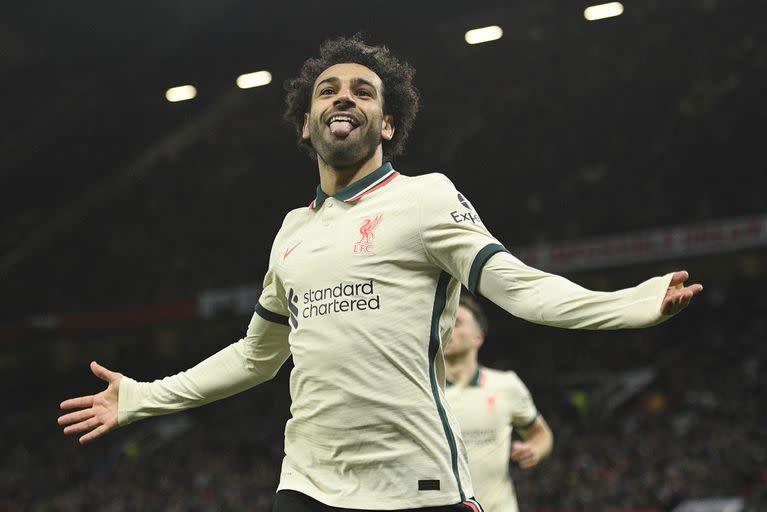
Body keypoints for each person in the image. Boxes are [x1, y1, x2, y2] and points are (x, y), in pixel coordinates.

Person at [58, 35, 703, 512]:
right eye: (328, 91)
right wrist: (143, 396)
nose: (344, 97)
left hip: (415, 485)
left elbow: (518, 286)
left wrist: (628, 304)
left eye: (364, 91)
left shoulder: (425, 199)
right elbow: (256, 357)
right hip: (307, 485)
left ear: (388, 123)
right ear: (307, 127)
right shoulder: (293, 231)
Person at [445, 293, 553, 512]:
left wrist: (534, 450)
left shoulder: (506, 385)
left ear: (478, 337)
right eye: (443, 322)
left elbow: (541, 435)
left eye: (456, 323)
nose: (446, 328)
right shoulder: (423, 390)